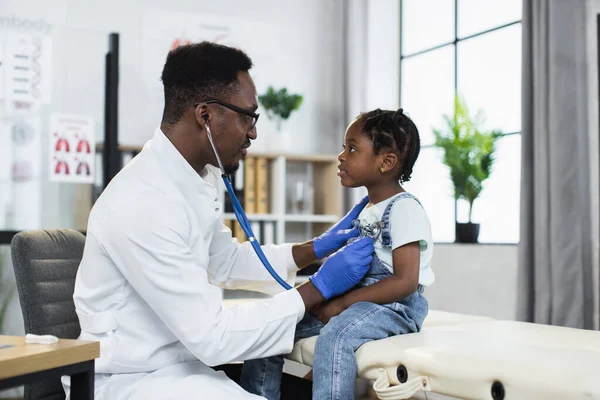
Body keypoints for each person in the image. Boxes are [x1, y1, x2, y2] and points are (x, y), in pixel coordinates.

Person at [62, 41, 376, 400]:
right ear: (206, 116)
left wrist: (312, 249)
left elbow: (225, 261)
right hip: (131, 380)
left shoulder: (196, 177)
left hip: (182, 367)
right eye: (248, 116)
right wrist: (316, 289)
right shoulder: (142, 203)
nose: (253, 132)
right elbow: (212, 337)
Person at [240, 108, 435, 400]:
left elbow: (405, 282)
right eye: (344, 147)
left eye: (352, 148)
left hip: (394, 307)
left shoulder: (404, 208)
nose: (341, 156)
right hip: (357, 299)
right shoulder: (366, 208)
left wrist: (342, 303)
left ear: (387, 162)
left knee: (336, 337)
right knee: (276, 326)